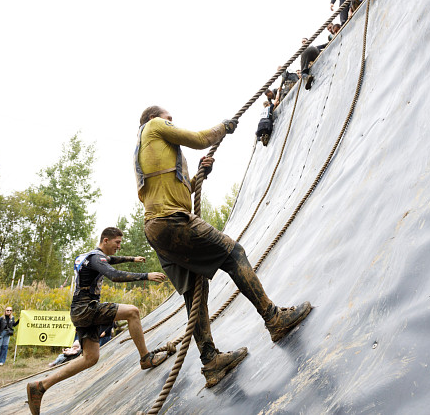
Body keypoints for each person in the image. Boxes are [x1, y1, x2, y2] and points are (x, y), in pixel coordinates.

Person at [135, 106, 312, 388]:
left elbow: (177, 192)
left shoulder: (148, 152)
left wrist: (199, 177)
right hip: (172, 221)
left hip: (157, 230)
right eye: (170, 118)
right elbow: (199, 138)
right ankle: (274, 319)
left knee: (195, 290)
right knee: (234, 254)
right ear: (155, 119)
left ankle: (211, 362)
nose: (171, 123)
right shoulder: (154, 127)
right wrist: (223, 128)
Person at [26, 227, 168, 415]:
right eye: (117, 242)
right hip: (87, 308)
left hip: (79, 310)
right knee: (133, 312)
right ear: (105, 240)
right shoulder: (96, 258)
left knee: (90, 358)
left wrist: (132, 259)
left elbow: (112, 259)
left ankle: (40, 386)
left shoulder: (89, 257)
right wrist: (146, 276)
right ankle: (146, 358)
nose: (119, 246)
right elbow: (114, 275)